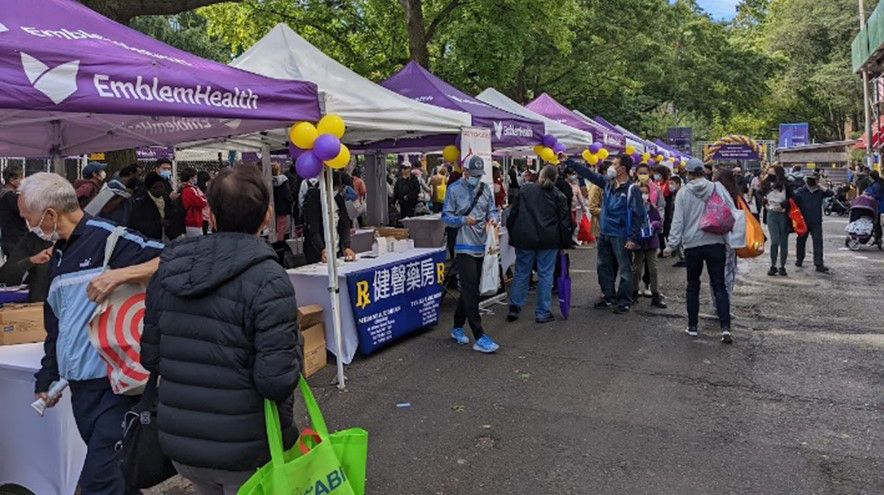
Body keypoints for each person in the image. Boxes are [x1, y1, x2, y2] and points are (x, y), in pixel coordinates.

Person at [141, 165, 302, 493]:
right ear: (267, 215)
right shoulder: (270, 280)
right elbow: (276, 381)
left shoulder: (169, 270)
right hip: (248, 447)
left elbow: (150, 358)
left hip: (182, 443)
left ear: (210, 216)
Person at [22, 172, 162, 493]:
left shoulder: (109, 237)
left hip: (120, 388)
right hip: (81, 393)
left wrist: (122, 274)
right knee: (120, 478)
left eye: (27, 217)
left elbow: (175, 257)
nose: (28, 225)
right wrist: (48, 377)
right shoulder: (57, 255)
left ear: (50, 214)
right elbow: (57, 327)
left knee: (100, 481)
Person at [664, 158, 735, 344]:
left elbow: (677, 221)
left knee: (693, 285)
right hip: (716, 242)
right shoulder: (716, 188)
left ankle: (693, 326)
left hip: (692, 245)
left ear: (687, 173)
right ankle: (725, 328)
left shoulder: (683, 193)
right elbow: (730, 209)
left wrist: (671, 245)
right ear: (704, 172)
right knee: (719, 285)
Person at [566, 153, 646, 314]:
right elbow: (590, 174)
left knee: (624, 268)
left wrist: (633, 237)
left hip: (621, 234)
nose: (611, 167)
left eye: (615, 164)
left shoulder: (632, 189)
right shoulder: (608, 183)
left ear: (623, 169)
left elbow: (639, 214)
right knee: (603, 265)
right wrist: (568, 161)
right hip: (605, 232)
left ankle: (624, 300)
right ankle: (608, 296)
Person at [442, 155, 500, 353]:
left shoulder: (485, 190)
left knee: (471, 289)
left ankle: (457, 326)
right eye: (473, 174)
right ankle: (479, 334)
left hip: (482, 244)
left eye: (479, 174)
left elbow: (493, 210)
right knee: (470, 289)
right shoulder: (454, 189)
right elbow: (446, 217)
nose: (476, 177)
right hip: (463, 245)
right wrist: (462, 220)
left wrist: (492, 219)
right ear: (465, 172)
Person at [506, 165, 572, 323]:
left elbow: (513, 213)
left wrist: (512, 232)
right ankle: (542, 312)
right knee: (545, 274)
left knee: (522, 272)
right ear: (555, 178)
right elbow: (564, 223)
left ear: (540, 176)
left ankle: (515, 306)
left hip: (525, 237)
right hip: (548, 240)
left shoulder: (525, 191)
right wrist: (564, 243)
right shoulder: (559, 196)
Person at [302, 171, 356, 264]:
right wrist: (322, 248)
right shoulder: (314, 199)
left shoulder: (338, 198)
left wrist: (346, 246)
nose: (337, 190)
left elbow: (344, 223)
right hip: (318, 252)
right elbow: (313, 229)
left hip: (337, 249)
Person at [630, 183, 667, 308]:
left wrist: (654, 225)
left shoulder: (652, 207)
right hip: (639, 242)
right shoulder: (632, 208)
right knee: (636, 269)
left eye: (646, 193)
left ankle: (655, 294)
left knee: (653, 269)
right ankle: (634, 292)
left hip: (651, 242)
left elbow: (659, 222)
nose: (644, 195)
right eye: (641, 193)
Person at [793, 173, 835, 273]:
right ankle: (799, 259)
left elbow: (831, 193)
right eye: (810, 179)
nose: (812, 182)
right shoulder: (801, 191)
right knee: (801, 241)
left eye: (814, 180)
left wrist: (820, 186)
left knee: (818, 242)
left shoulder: (819, 192)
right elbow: (793, 200)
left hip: (816, 221)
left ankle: (819, 264)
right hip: (803, 222)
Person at [713, 166, 742, 294]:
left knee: (716, 272)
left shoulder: (715, 191)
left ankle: (717, 300)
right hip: (732, 237)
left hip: (716, 235)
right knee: (729, 271)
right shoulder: (735, 194)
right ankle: (725, 301)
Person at [762, 165, 793, 276]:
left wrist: (783, 204)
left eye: (772, 173)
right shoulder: (766, 183)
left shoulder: (787, 183)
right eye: (769, 173)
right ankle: (773, 265)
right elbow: (761, 194)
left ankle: (782, 266)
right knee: (775, 241)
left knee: (784, 241)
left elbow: (792, 198)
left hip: (784, 215)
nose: (770, 175)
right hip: (771, 214)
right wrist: (764, 203)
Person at [128, 172, 175, 241]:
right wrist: (158, 223)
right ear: (149, 189)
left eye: (161, 187)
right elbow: (136, 225)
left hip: (167, 237)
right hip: (150, 240)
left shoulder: (167, 200)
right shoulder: (141, 204)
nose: (159, 190)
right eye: (155, 188)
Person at [0, 165, 27, 256]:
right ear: (12, 180)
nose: (23, 181)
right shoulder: (10, 197)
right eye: (21, 178)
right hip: (15, 240)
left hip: (8, 239)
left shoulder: (3, 194)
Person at [179, 167, 208, 238]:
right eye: (195, 177)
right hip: (193, 222)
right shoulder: (190, 190)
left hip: (191, 221)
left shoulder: (185, 189)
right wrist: (203, 198)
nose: (196, 179)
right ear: (190, 178)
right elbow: (202, 203)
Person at [272, 163, 294, 242]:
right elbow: (287, 194)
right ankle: (280, 243)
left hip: (272, 207)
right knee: (282, 226)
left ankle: (274, 241)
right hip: (283, 207)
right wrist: (291, 199)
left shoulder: (268, 181)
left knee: (274, 226)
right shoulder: (283, 181)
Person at [587, 162, 607, 240]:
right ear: (605, 171)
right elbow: (592, 208)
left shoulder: (612, 184)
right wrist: (608, 211)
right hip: (600, 225)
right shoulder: (596, 187)